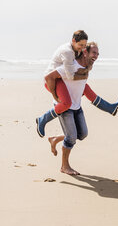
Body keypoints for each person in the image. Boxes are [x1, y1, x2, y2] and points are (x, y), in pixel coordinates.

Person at [42, 42, 113, 175]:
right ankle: (64, 166)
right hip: (64, 106)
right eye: (94, 53)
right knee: (71, 138)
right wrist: (55, 96)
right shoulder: (72, 65)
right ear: (85, 52)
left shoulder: (87, 67)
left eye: (98, 53)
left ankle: (55, 139)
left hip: (76, 106)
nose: (96, 56)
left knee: (82, 134)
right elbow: (49, 77)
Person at [36, 31, 118, 137]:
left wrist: (80, 85)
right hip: (52, 80)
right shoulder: (68, 53)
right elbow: (70, 76)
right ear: (73, 41)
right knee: (66, 103)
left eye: (84, 46)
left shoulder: (78, 51)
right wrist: (54, 95)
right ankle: (42, 119)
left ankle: (109, 108)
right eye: (81, 45)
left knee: (85, 87)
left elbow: (76, 73)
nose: (82, 48)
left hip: (61, 78)